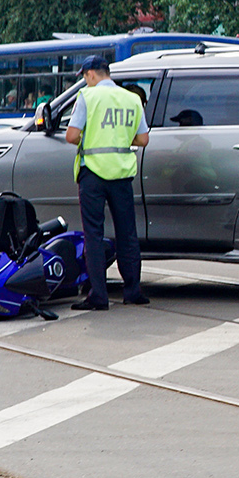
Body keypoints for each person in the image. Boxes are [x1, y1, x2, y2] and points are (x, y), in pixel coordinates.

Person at [62, 55, 149, 311]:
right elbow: (143, 140)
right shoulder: (131, 98)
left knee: (94, 234)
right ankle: (133, 291)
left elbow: (71, 135)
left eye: (85, 77)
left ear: (90, 74)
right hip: (122, 175)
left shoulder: (87, 97)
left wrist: (91, 138)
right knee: (127, 234)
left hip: (93, 176)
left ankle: (98, 295)